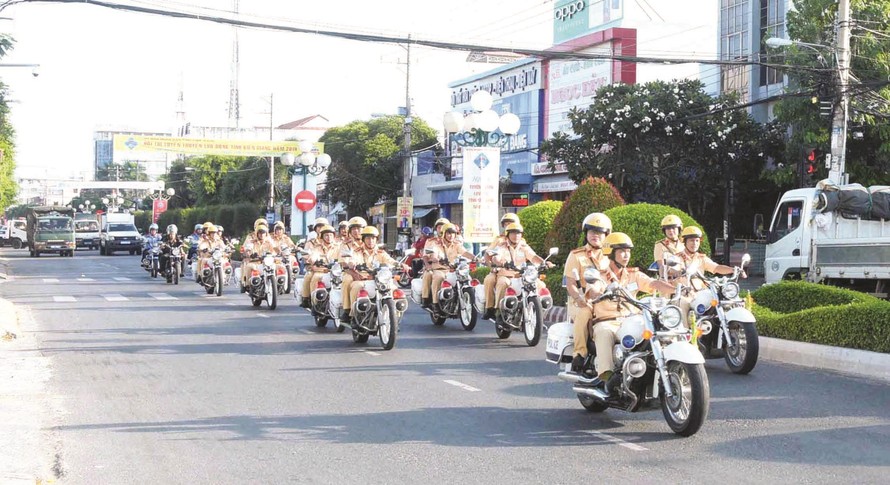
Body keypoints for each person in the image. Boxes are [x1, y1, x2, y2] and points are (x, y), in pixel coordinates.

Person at [584, 233, 676, 389]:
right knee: (604, 333)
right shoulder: (600, 275)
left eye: (628, 251)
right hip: (608, 321)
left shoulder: (634, 274)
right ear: (611, 253)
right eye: (622, 251)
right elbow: (592, 290)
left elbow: (653, 283)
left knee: (657, 330)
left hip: (631, 319)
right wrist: (599, 293)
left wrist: (676, 289)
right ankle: (607, 378)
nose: (626, 255)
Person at [564, 212, 613, 373]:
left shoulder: (610, 258)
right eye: (592, 232)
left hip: (604, 301)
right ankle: (579, 354)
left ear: (607, 235)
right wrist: (578, 297)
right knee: (585, 312)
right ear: (586, 234)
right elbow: (570, 283)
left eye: (599, 233)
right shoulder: (576, 255)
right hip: (581, 301)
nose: (595, 236)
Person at [343, 226, 410, 323]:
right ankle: (354, 315)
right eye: (368, 238)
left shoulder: (381, 252)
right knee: (356, 287)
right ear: (363, 240)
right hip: (363, 280)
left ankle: (394, 317)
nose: (371, 241)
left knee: (394, 289)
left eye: (373, 238)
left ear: (376, 240)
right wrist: (352, 264)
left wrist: (400, 265)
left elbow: (390, 261)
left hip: (380, 280)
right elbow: (352, 260)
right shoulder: (357, 252)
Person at [491, 222, 552, 313]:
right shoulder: (501, 246)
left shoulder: (524, 247)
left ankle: (540, 313)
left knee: (541, 285)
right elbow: (496, 257)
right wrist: (502, 263)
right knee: (503, 284)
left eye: (518, 233)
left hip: (522, 276)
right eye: (513, 233)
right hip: (506, 276)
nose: (516, 235)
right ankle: (499, 310)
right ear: (508, 235)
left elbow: (533, 257)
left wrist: (544, 262)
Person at [426, 223, 475, 311]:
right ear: (444, 234)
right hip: (440, 269)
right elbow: (433, 254)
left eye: (453, 233)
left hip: (454, 270)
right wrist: (436, 259)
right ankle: (435, 304)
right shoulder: (437, 244)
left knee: (467, 278)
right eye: (448, 233)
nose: (451, 236)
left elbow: (465, 253)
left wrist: (476, 258)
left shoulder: (456, 245)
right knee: (438, 277)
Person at [481, 213, 520, 320]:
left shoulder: (521, 241)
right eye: (506, 224)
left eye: (510, 223)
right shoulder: (499, 240)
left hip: (518, 273)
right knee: (489, 280)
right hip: (501, 270)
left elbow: (531, 255)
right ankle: (491, 308)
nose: (508, 226)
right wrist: (492, 266)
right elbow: (488, 254)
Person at [339, 216, 367, 321]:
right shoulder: (346, 244)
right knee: (347, 280)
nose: (356, 231)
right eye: (353, 229)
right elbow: (343, 262)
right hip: (350, 272)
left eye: (359, 228)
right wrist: (354, 274)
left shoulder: (369, 242)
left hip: (368, 272)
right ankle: (347, 309)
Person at [306, 224, 341, 304]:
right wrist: (313, 259)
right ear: (322, 237)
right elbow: (313, 255)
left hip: (336, 272)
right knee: (315, 278)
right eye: (326, 235)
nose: (329, 237)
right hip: (321, 271)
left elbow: (344, 256)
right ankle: (314, 302)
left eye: (330, 235)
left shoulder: (339, 247)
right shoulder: (317, 247)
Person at [420, 217, 450, 309]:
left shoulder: (454, 241)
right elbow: (426, 255)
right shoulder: (431, 241)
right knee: (432, 276)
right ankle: (433, 302)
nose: (440, 229)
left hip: (452, 269)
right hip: (436, 268)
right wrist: (428, 265)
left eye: (443, 227)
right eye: (438, 227)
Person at [239, 219, 278, 290]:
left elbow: (275, 249)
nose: (262, 234)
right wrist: (250, 254)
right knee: (249, 266)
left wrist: (278, 253)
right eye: (260, 232)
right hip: (255, 262)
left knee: (279, 266)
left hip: (267, 262)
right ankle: (248, 285)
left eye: (263, 232)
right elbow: (247, 248)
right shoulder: (251, 239)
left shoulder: (269, 240)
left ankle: (278, 283)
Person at [653, 214, 684, 281]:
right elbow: (661, 265)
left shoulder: (684, 244)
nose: (671, 231)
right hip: (669, 280)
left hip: (685, 278)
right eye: (668, 228)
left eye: (673, 228)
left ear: (679, 229)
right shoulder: (660, 245)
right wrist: (673, 271)